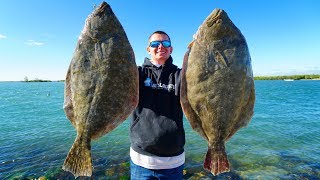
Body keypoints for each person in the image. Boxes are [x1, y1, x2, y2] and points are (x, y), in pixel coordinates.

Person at [129, 31, 185, 179]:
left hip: (173, 162)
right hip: (140, 161)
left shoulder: (182, 76)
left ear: (171, 49)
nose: (161, 46)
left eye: (165, 43)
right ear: (148, 49)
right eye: (155, 44)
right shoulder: (136, 73)